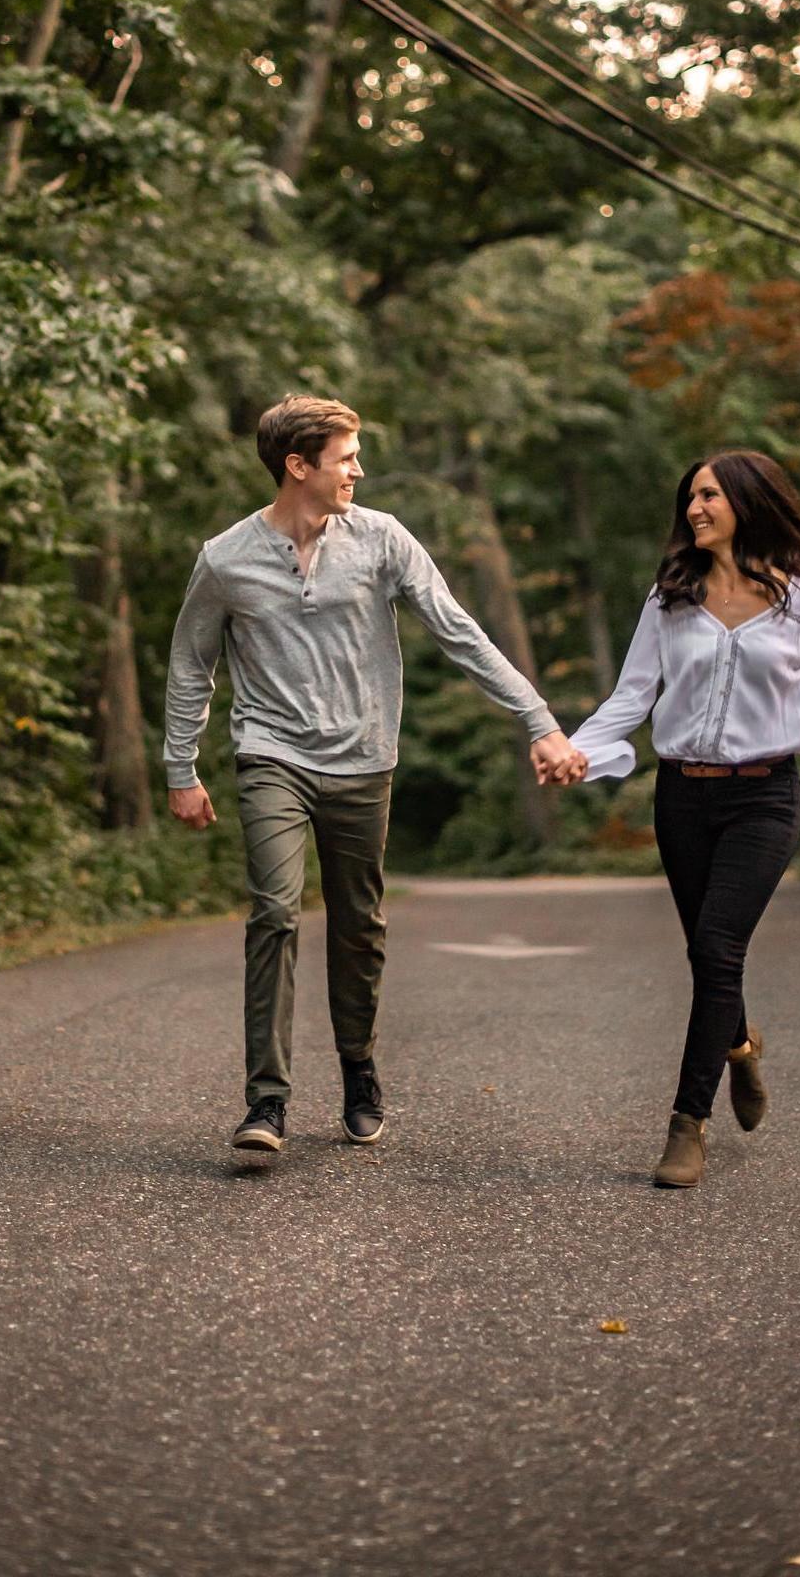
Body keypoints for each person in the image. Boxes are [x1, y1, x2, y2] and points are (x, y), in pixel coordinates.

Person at [164, 394, 580, 1157]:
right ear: (299, 466)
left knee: (358, 926)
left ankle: (359, 1068)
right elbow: (192, 666)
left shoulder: (382, 539)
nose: (359, 468)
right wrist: (180, 768)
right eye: (345, 457)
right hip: (272, 755)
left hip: (362, 762)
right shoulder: (224, 558)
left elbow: (458, 631)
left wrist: (539, 720)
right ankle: (267, 1100)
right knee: (275, 912)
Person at [534, 450, 800, 1188]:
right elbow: (631, 696)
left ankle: (687, 1125)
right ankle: (738, 1044)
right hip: (683, 796)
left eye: (709, 495)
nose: (694, 509)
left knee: (716, 949)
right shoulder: (669, 599)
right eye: (690, 498)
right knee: (711, 956)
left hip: (766, 797)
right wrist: (575, 751)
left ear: (748, 502)